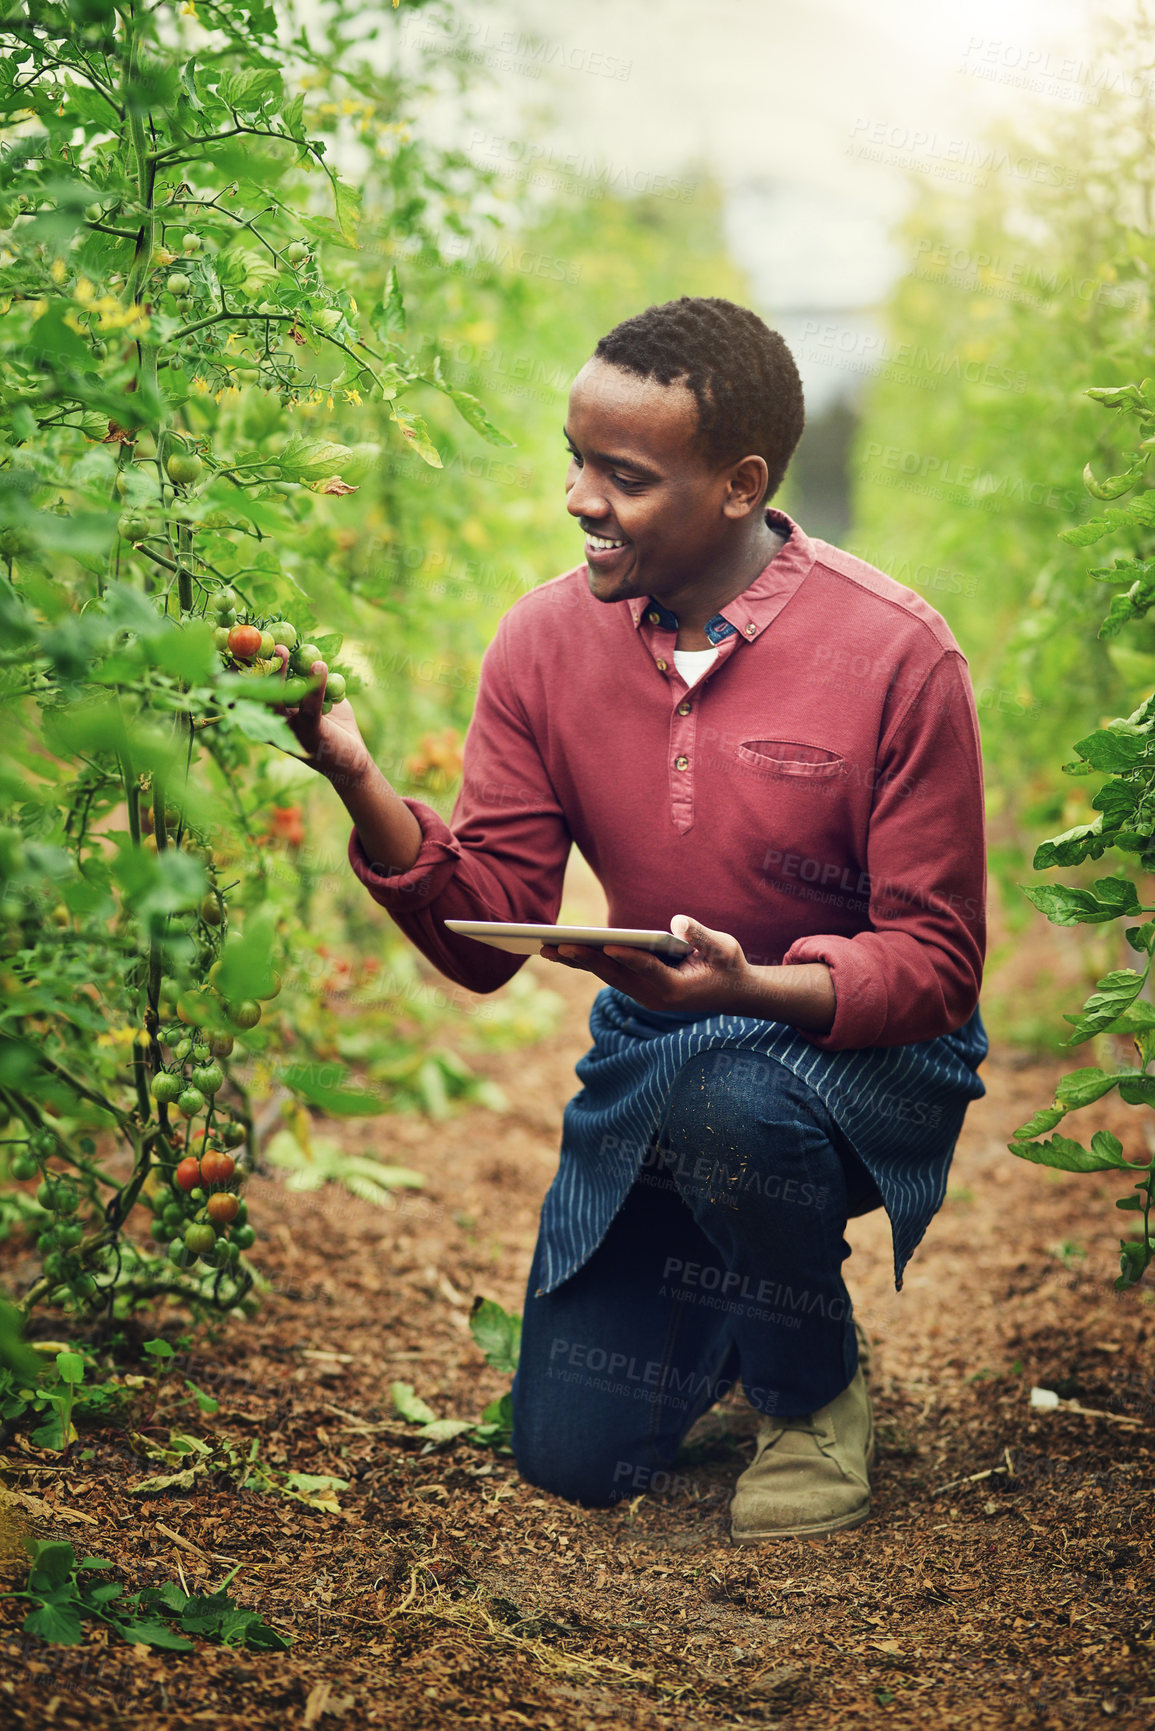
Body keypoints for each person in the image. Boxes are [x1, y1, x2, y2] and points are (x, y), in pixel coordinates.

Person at [278, 295, 988, 1542]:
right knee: (574, 1453)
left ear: (739, 484)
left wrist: (749, 990)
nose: (579, 500)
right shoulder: (545, 645)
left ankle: (809, 1387)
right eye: (576, 460)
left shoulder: (896, 654)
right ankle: (735, 1280)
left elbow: (934, 965)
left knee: (733, 1095)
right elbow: (486, 925)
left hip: (848, 1059)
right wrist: (351, 771)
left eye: (624, 475)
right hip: (657, 1059)